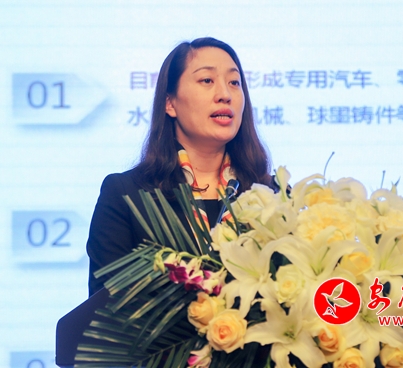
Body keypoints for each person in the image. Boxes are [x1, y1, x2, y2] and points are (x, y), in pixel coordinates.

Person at [86, 37, 274, 296]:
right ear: (170, 103)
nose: (225, 94)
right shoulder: (127, 196)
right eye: (207, 80)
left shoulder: (271, 195)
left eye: (234, 82)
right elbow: (107, 309)